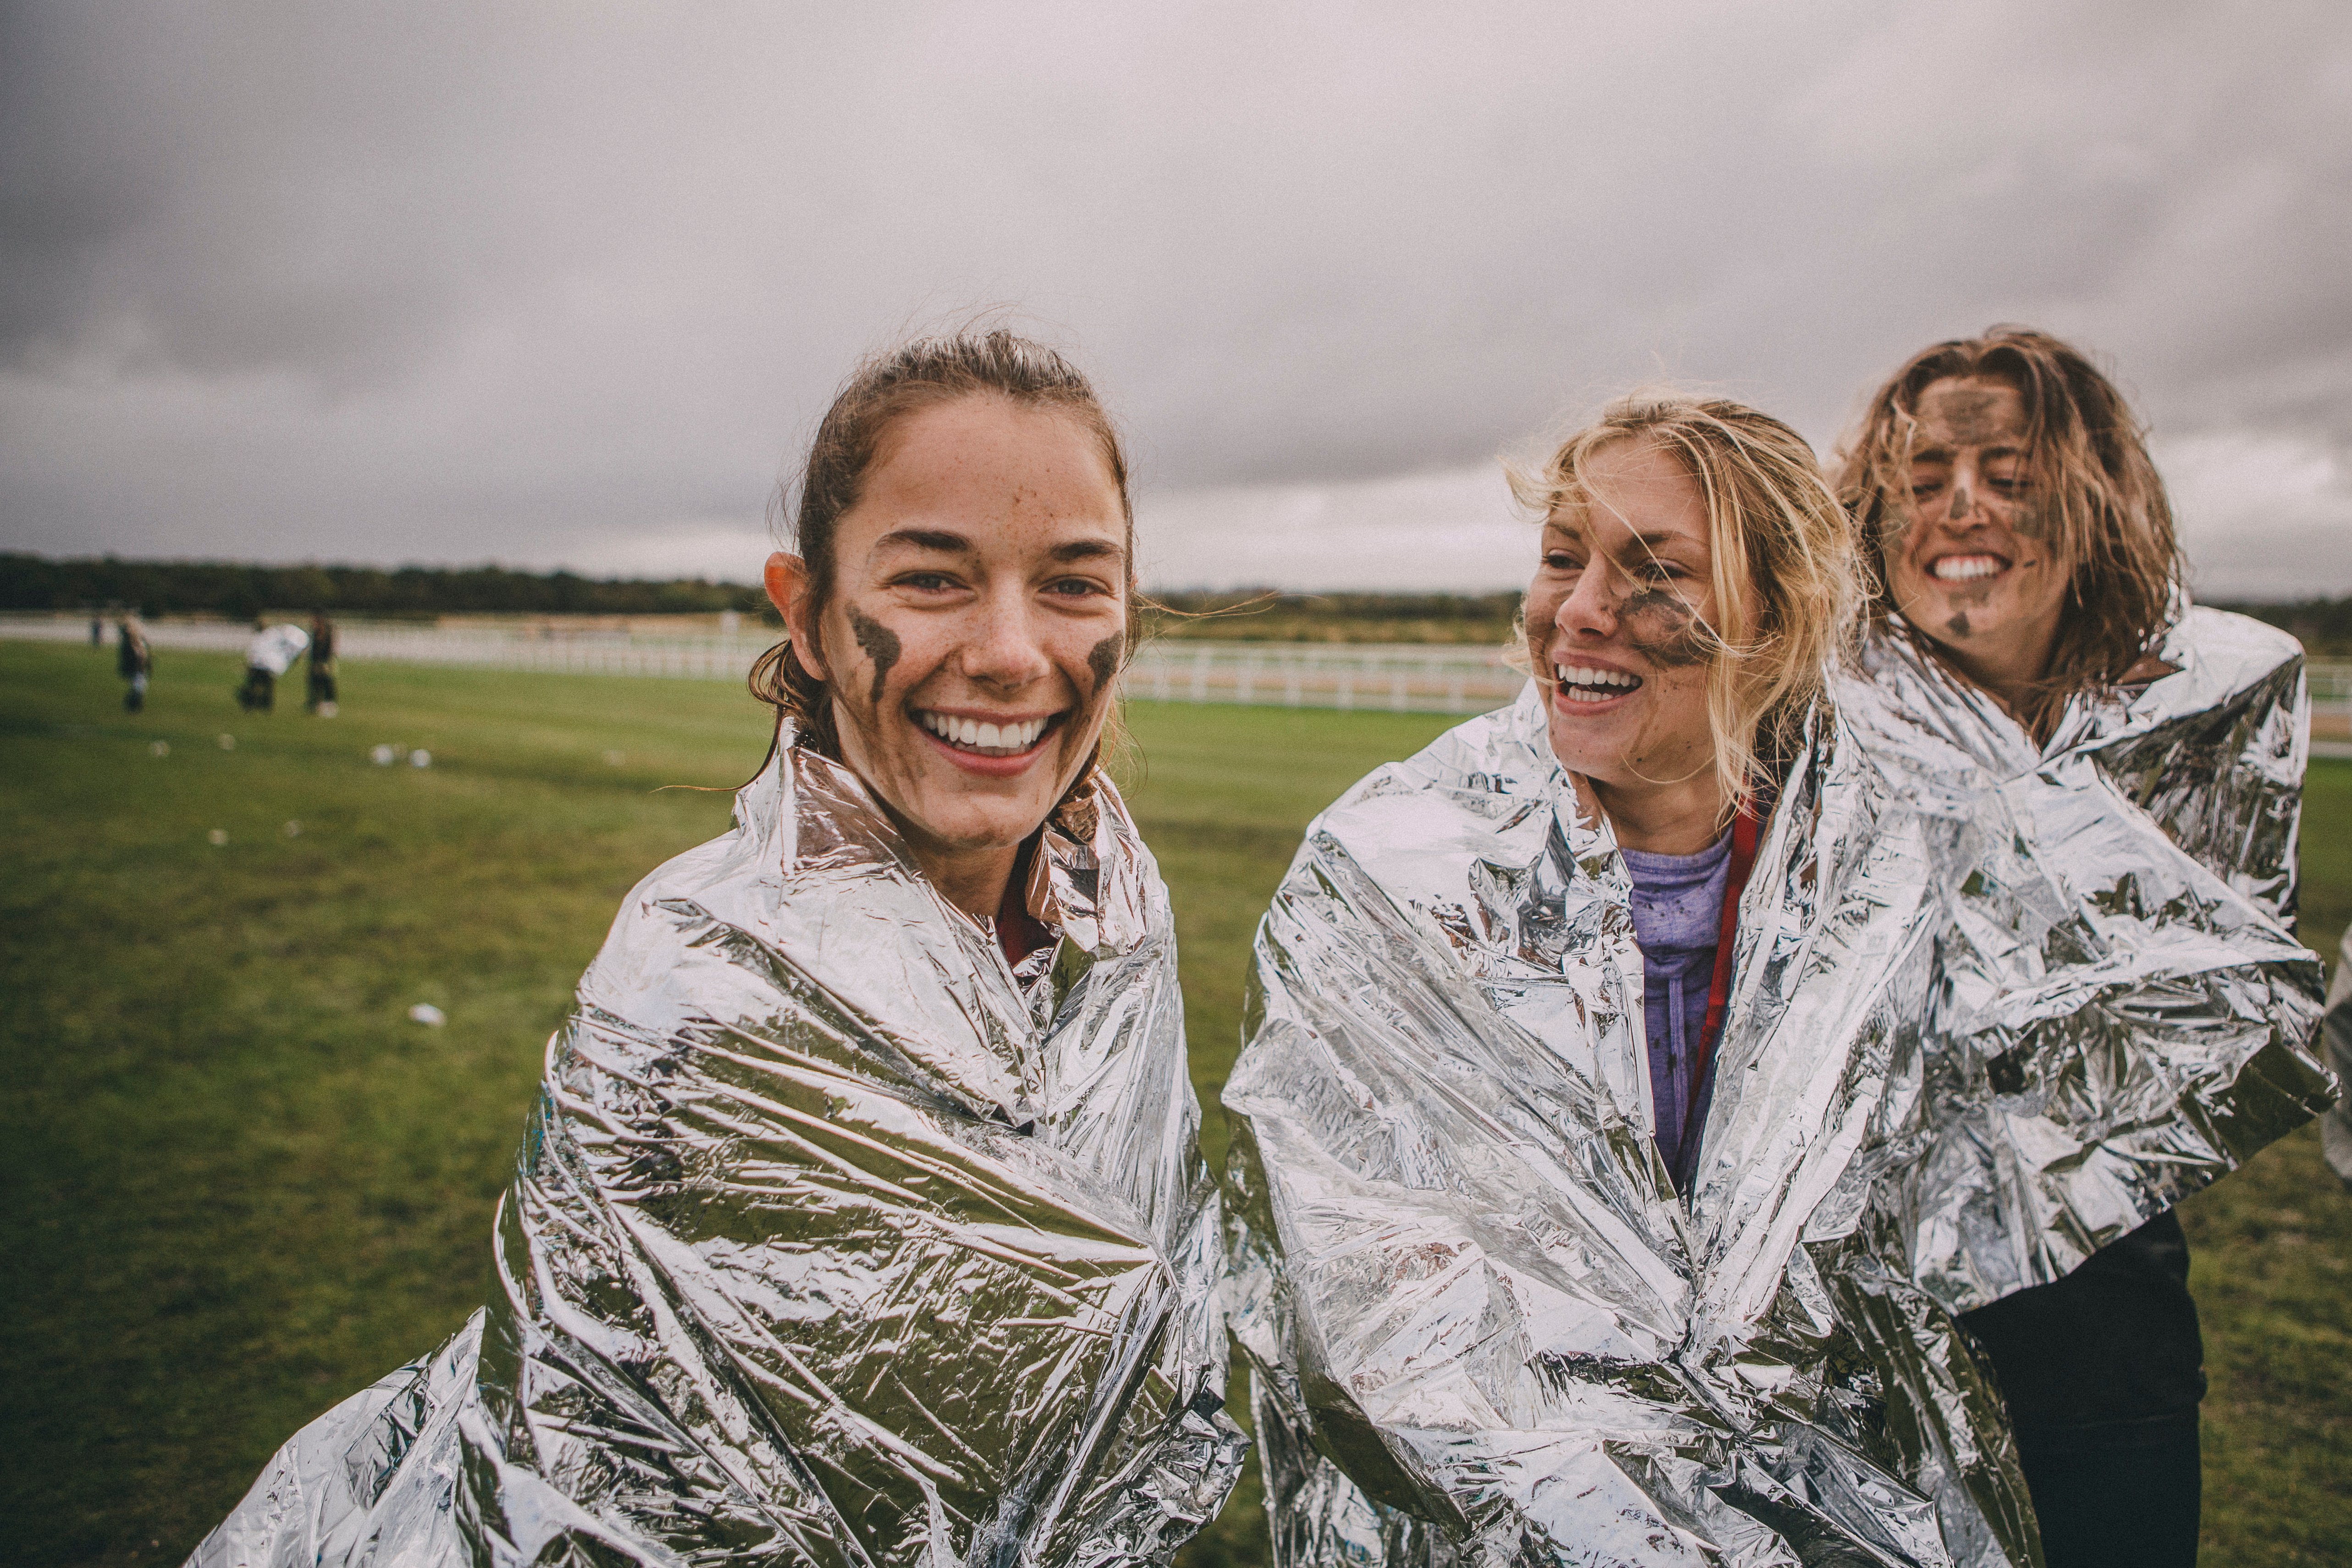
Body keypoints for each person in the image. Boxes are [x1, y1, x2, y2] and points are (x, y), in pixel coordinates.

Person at [191, 331, 1242, 1568]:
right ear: (804, 614)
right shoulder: (698, 986)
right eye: (932, 579)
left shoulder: (1113, 906)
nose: (1013, 652)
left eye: (1072, 582)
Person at [1222, 394, 2328, 1567]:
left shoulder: (1896, 876)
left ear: (1776, 614)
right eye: (1559, 559)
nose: (1581, 610)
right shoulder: (1389, 874)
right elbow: (1369, 1305)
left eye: (1654, 573)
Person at [1834, 326, 2329, 1568]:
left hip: (2099, 1304)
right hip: (1837, 1300)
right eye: (1926, 472)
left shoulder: (2211, 706)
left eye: (2009, 472)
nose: (1963, 507)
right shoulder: (1799, 703)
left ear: (2089, 494)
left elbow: (2204, 1035)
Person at [235, 617, 309, 712]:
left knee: (256, 685)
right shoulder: (271, 634)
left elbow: (254, 653)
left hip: (261, 665)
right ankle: (264, 705)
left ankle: (255, 703)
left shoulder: (264, 636)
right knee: (266, 686)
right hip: (269, 666)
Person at [116, 615, 152, 713]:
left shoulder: (138, 642)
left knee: (140, 687)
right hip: (136, 669)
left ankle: (134, 705)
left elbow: (144, 655)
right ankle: (133, 705)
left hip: (139, 668)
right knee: (139, 687)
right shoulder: (129, 643)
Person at [305, 611, 338, 715]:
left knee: (326, 682)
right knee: (314, 682)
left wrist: (325, 662)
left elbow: (329, 648)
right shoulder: (315, 631)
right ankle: (315, 703)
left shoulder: (327, 631)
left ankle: (329, 704)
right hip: (316, 661)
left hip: (324, 661)